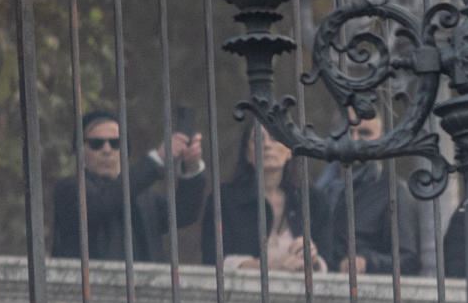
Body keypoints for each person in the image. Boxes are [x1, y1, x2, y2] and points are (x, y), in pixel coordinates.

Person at [46, 105, 205, 262]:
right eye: (96, 144)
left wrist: (191, 167)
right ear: (80, 151)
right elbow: (102, 203)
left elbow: (184, 214)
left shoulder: (144, 197)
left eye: (115, 143)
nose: (107, 150)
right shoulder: (69, 188)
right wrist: (158, 159)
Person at [310, 104, 433, 275]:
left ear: (380, 138)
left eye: (365, 133)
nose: (354, 139)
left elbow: (408, 261)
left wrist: (367, 262)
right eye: (346, 131)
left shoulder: (393, 191)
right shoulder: (317, 191)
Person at [205, 119, 323, 273]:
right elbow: (213, 259)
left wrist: (313, 259)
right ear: (247, 153)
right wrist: (271, 267)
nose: (267, 145)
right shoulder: (224, 199)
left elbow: (330, 262)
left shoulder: (312, 200)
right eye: (258, 139)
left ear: (289, 151)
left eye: (275, 139)